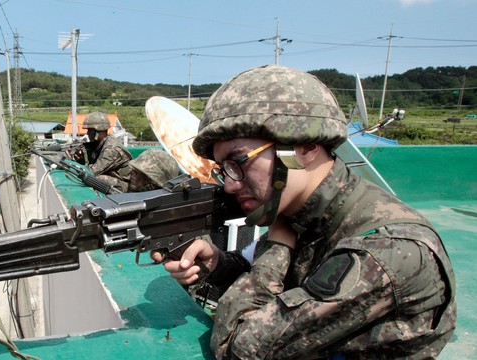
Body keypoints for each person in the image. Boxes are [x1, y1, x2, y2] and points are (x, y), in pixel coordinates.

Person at [152, 65, 456, 358]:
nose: (230, 186)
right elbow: (277, 283)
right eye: (224, 170)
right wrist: (217, 264)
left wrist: (277, 245)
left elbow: (239, 348)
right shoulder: (304, 210)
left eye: (239, 162)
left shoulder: (383, 250)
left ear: (306, 147)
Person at [81, 112, 132, 185]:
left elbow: (91, 172)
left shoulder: (111, 149)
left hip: (126, 185)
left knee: (95, 178)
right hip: (117, 180)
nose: (88, 133)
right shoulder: (102, 144)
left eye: (90, 130)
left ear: (98, 131)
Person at [98, 148, 180, 192]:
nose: (132, 175)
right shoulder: (132, 188)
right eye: (134, 171)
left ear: (152, 183)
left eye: (137, 173)